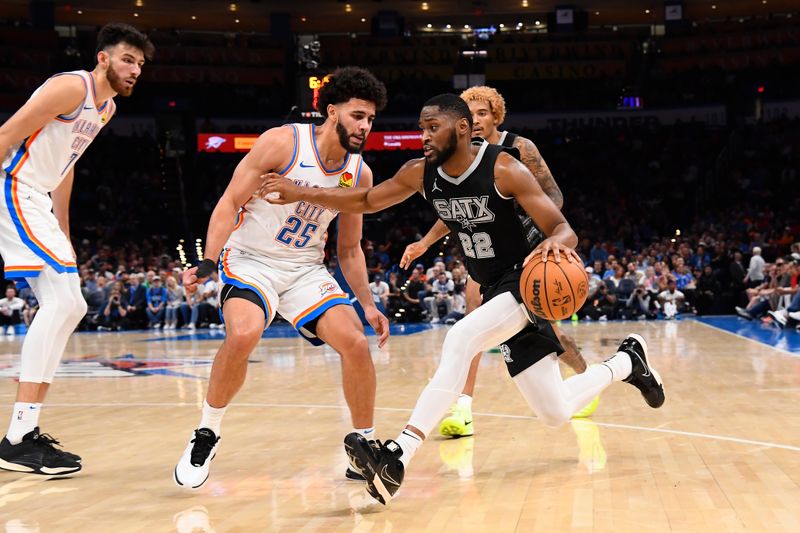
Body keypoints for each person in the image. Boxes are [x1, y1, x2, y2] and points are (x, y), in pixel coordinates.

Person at [259, 93, 665, 505]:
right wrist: (300, 192)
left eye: (432, 127)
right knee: (555, 412)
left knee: (460, 339)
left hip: (525, 282)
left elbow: (564, 228)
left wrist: (554, 245)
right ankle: (627, 361)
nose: (424, 136)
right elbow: (366, 200)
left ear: (463, 129)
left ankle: (398, 453)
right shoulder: (420, 173)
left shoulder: (504, 168)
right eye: (421, 128)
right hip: (495, 289)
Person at [173, 66, 390, 489]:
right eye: (357, 115)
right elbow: (229, 201)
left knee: (356, 343)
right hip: (251, 258)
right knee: (244, 334)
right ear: (332, 112)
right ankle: (207, 432)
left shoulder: (359, 173)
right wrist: (207, 260)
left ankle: (362, 447)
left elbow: (348, 249)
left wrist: (366, 303)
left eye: (370, 119)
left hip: (305, 269)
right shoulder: (283, 143)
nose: (365, 126)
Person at [0, 23, 153, 475]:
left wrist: (62, 227)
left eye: (141, 65)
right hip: (12, 186)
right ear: (103, 58)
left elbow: (66, 165)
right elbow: (6, 134)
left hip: (37, 198)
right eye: (128, 59)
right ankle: (18, 438)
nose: (135, 70)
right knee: (64, 301)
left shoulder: (104, 109)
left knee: (71, 305)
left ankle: (21, 434)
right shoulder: (72, 86)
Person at [398, 86, 589, 438]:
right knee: (472, 312)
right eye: (470, 114)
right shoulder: (459, 159)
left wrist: (524, 221)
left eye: (482, 113)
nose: (476, 120)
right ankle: (464, 406)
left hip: (530, 247)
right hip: (488, 253)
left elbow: (555, 197)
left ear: (495, 116)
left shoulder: (518, 150)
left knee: (552, 333)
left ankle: (583, 374)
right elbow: (453, 210)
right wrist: (424, 242)